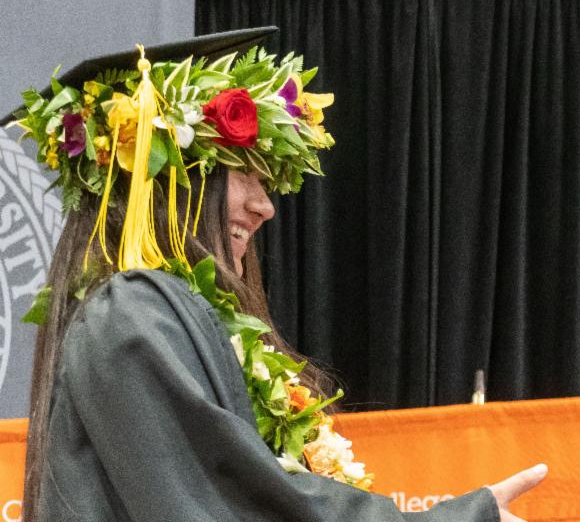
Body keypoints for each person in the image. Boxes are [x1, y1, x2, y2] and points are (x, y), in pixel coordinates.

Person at [8, 27, 546, 521]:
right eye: (242, 173)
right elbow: (237, 501)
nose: (265, 207)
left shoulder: (155, 317)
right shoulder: (130, 316)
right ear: (169, 179)